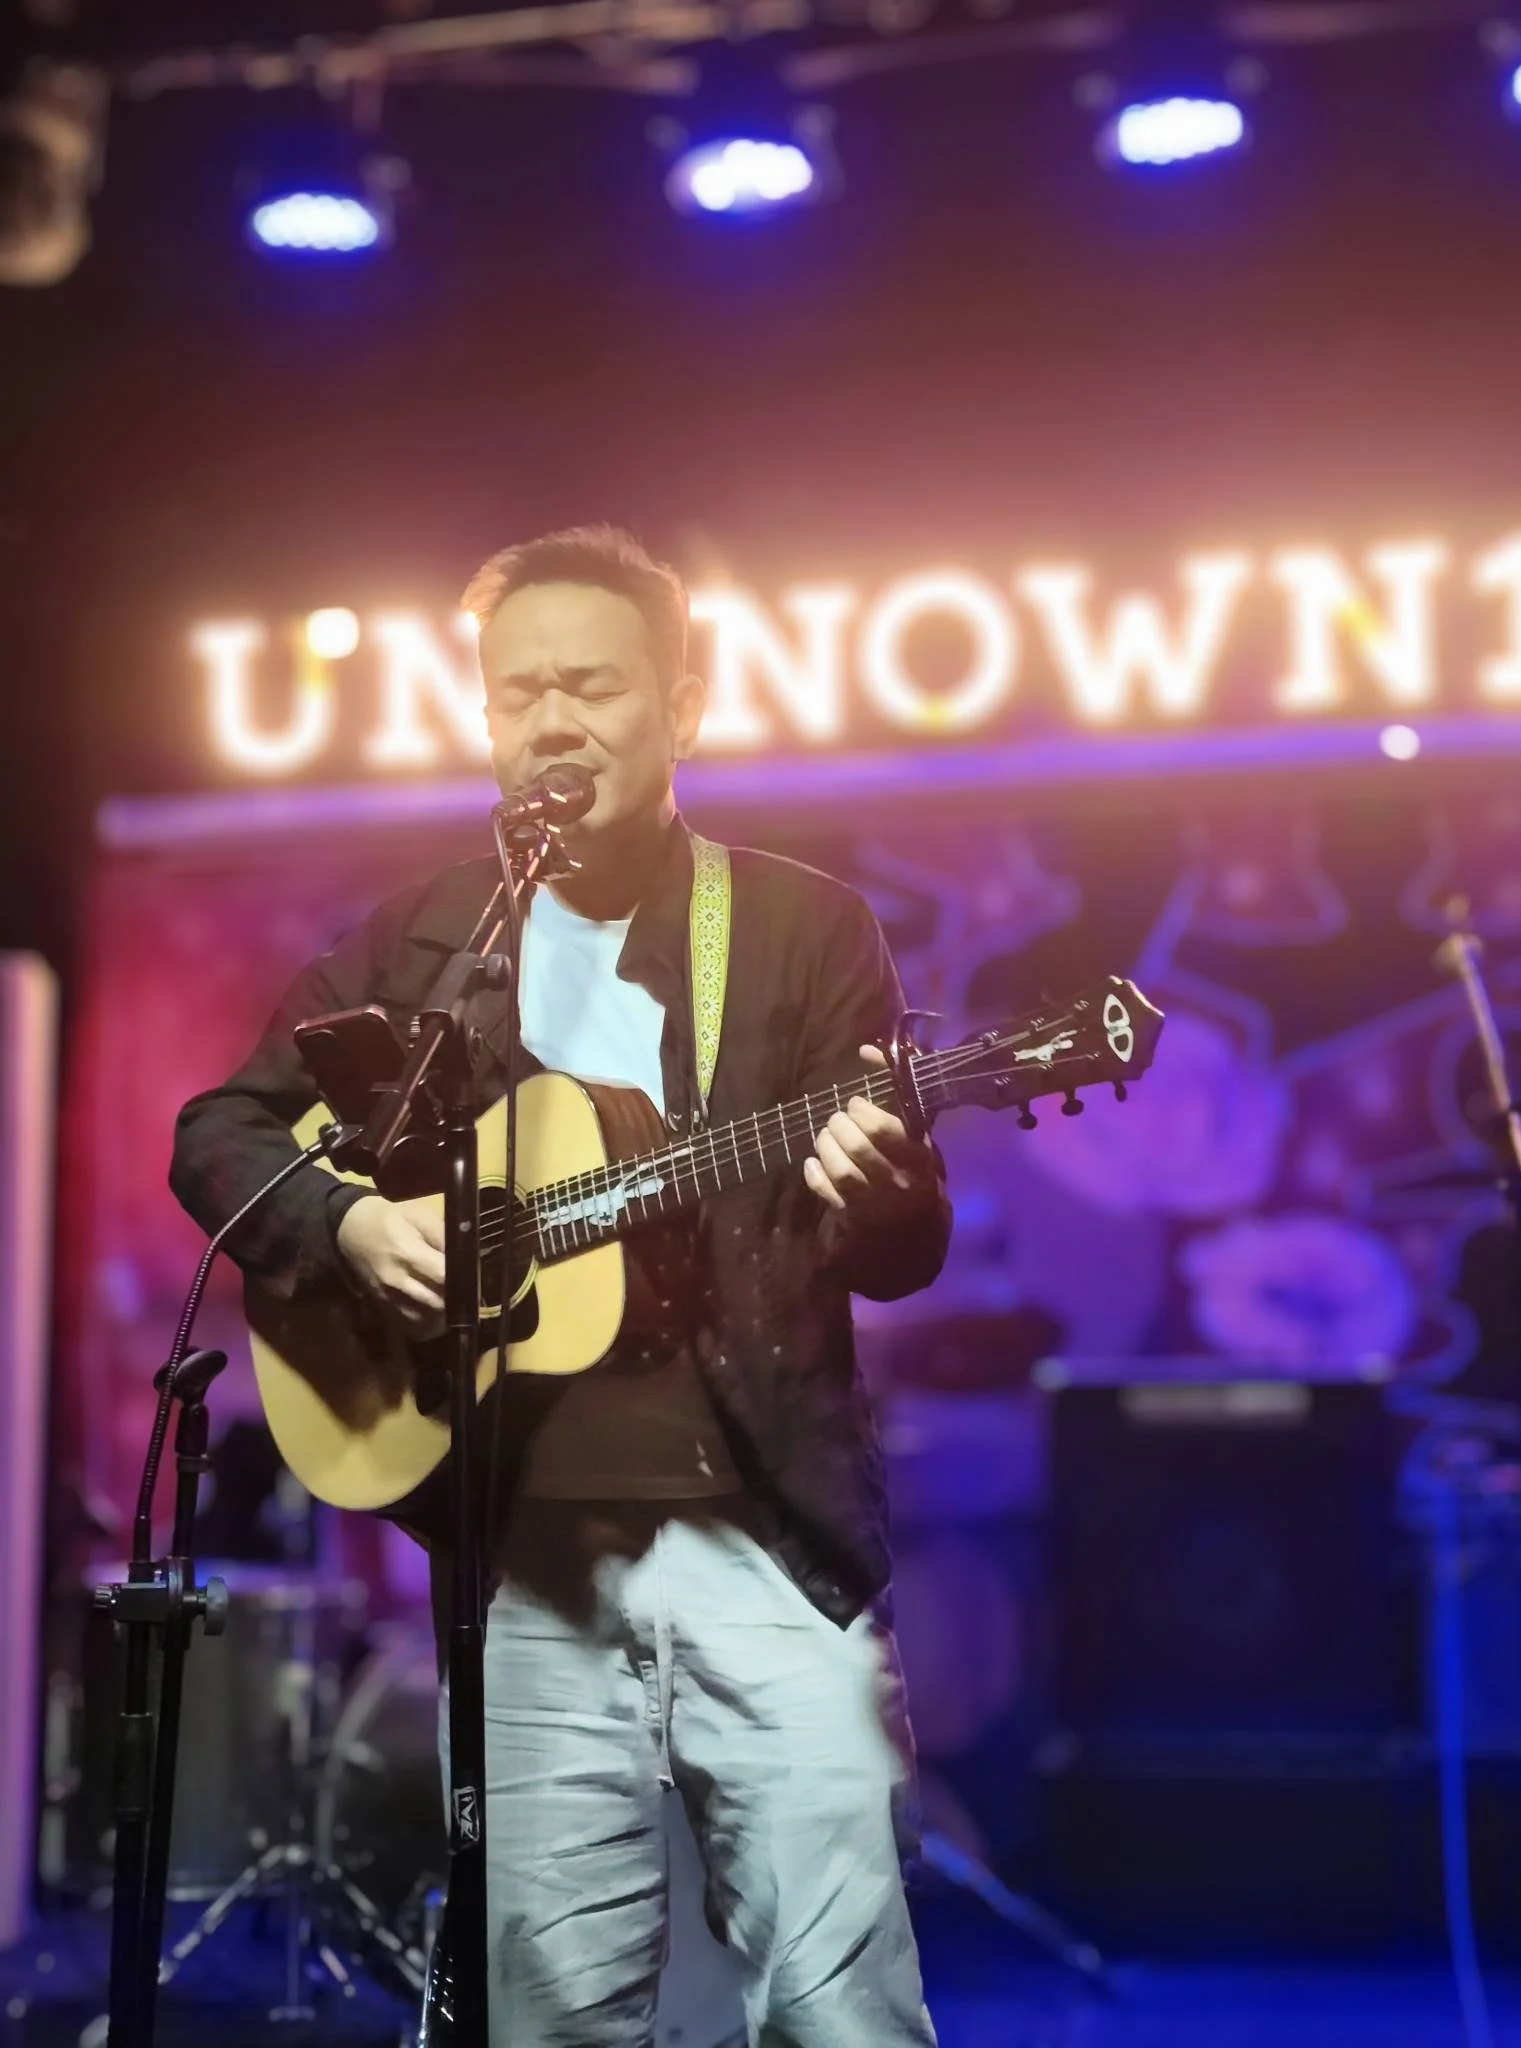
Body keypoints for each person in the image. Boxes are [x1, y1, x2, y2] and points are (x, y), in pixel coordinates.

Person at [170, 523, 953, 2046]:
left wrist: (890, 1182)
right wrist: (345, 1229)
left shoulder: (801, 928)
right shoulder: (423, 939)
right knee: (550, 2015)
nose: (552, 720)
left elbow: (899, 1245)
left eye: (592, 685)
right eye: (519, 691)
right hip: (520, 1559)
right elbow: (221, 1130)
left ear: (687, 705)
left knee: (841, 2003)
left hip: (765, 1543)